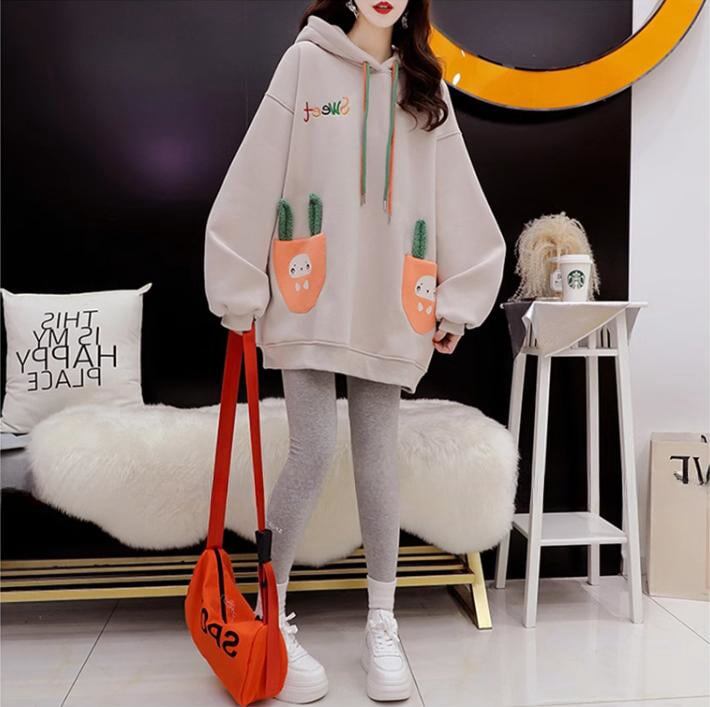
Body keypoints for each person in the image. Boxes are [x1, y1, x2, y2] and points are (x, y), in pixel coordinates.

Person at [203, 0, 506, 702]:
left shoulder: (424, 86)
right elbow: (254, 175)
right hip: (309, 292)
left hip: (390, 300)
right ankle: (270, 616)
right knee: (311, 449)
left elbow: (460, 197)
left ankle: (382, 620)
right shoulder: (304, 64)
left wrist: (458, 300)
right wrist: (238, 285)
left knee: (377, 456)